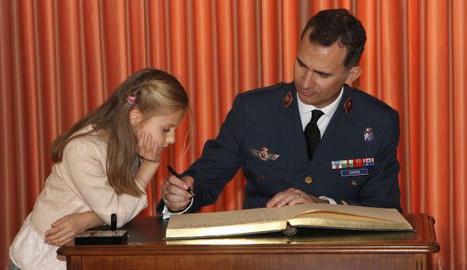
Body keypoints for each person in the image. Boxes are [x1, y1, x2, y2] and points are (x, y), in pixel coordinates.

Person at [160, 8, 401, 216]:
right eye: (301, 64)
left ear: (352, 75)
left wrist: (321, 206)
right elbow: (205, 179)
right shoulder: (253, 110)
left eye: (322, 74)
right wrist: (182, 195)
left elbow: (383, 210)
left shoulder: (378, 122)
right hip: (263, 254)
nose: (305, 82)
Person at [9, 68, 189, 269]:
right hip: (42, 259)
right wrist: (149, 166)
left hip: (81, 252)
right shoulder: (83, 149)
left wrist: (86, 220)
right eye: (166, 129)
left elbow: (115, 212)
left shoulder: (129, 145)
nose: (172, 139)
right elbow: (117, 214)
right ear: (135, 117)